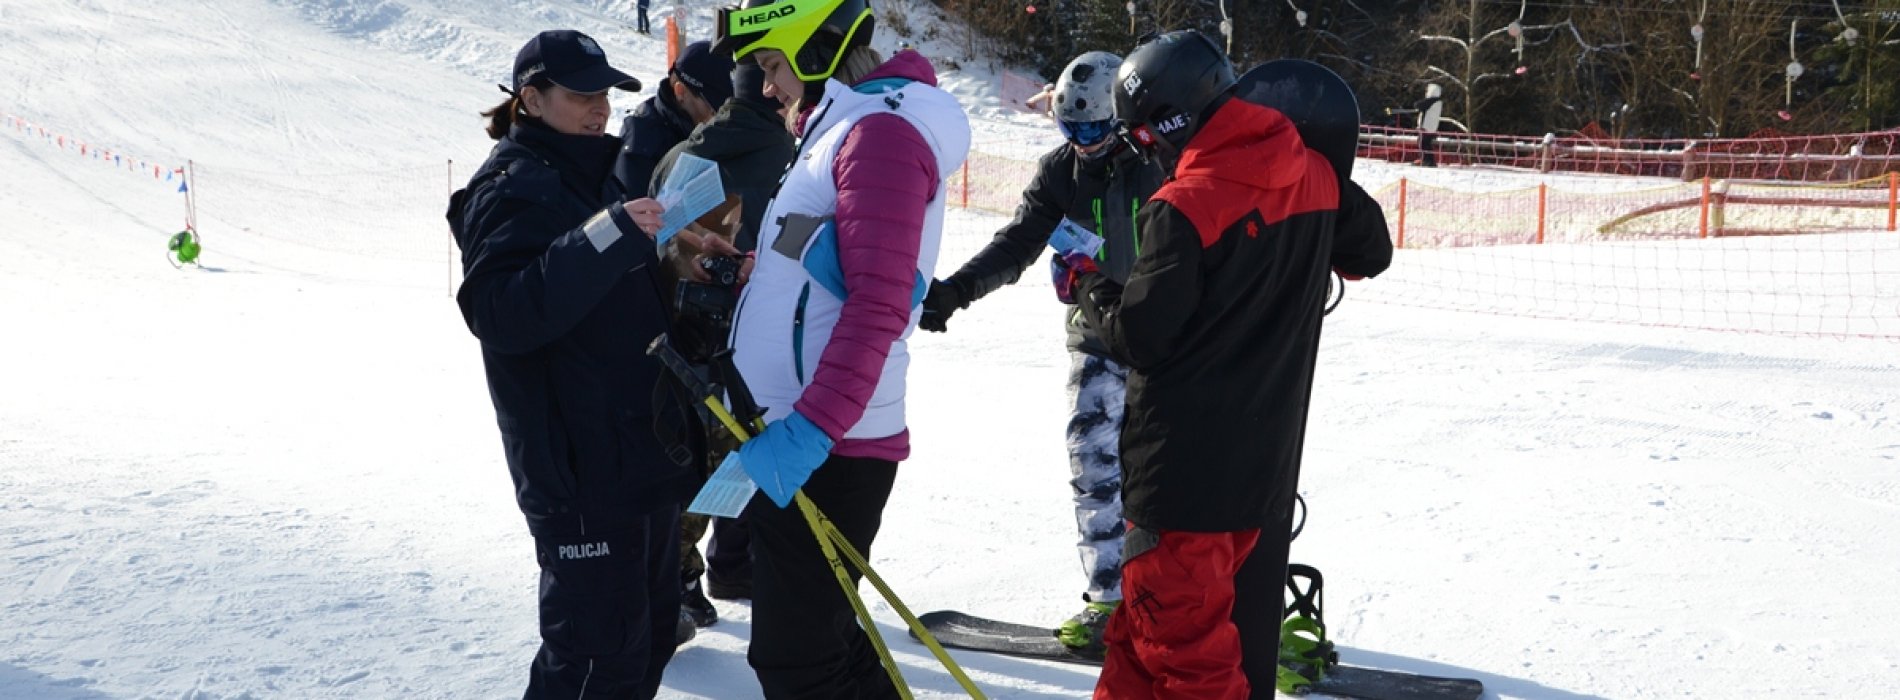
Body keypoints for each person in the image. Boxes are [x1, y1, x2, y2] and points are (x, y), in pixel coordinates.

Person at [1061, 30, 1393, 700]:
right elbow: (1370, 252)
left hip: (1181, 482)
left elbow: (1141, 337)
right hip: (1255, 475)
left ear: (1172, 122)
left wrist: (1089, 286)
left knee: (1188, 662)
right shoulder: (1316, 176)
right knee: (1138, 639)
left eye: (1145, 135)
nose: (1144, 150)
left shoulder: (1185, 206)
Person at [709, 0, 970, 696]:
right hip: (801, 424)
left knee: (798, 663)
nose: (766, 88)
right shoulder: (846, 126)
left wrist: (810, 430)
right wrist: (761, 270)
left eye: (772, 66)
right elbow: (835, 269)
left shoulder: (878, 133)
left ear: (817, 47)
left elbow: (880, 303)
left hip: (828, 439)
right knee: (821, 647)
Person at [445, 29, 703, 699]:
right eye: (581, 94)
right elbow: (500, 314)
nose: (600, 108)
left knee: (644, 643)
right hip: (581, 471)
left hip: (638, 454)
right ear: (530, 98)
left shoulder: (593, 176)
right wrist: (608, 236)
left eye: (607, 94)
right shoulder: (511, 186)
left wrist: (689, 272)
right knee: (594, 661)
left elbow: (611, 307)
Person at [918, 50, 1166, 655]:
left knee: (1168, 475)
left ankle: (1180, 598)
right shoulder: (1061, 172)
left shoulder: (1158, 161)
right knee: (1093, 463)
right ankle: (1109, 600)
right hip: (1097, 334)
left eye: (1092, 129)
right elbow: (1018, 242)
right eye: (1069, 128)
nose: (1081, 141)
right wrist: (956, 291)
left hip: (1166, 337)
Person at [648, 60, 799, 620]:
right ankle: (676, 580)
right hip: (736, 332)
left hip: (676, 328)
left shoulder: (682, 151)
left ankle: (684, 576)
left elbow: (656, 225)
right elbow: (787, 236)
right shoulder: (779, 153)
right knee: (732, 459)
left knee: (688, 456)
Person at [615, 40, 735, 200]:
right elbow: (637, 217)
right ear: (680, 92)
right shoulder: (642, 146)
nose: (721, 117)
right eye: (714, 108)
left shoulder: (708, 128)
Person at [1415, 83, 1444, 167]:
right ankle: (1424, 159)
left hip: (1427, 127)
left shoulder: (1431, 101)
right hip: (1430, 126)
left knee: (1424, 144)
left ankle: (1429, 161)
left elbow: (1418, 104)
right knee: (1422, 143)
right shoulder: (1436, 101)